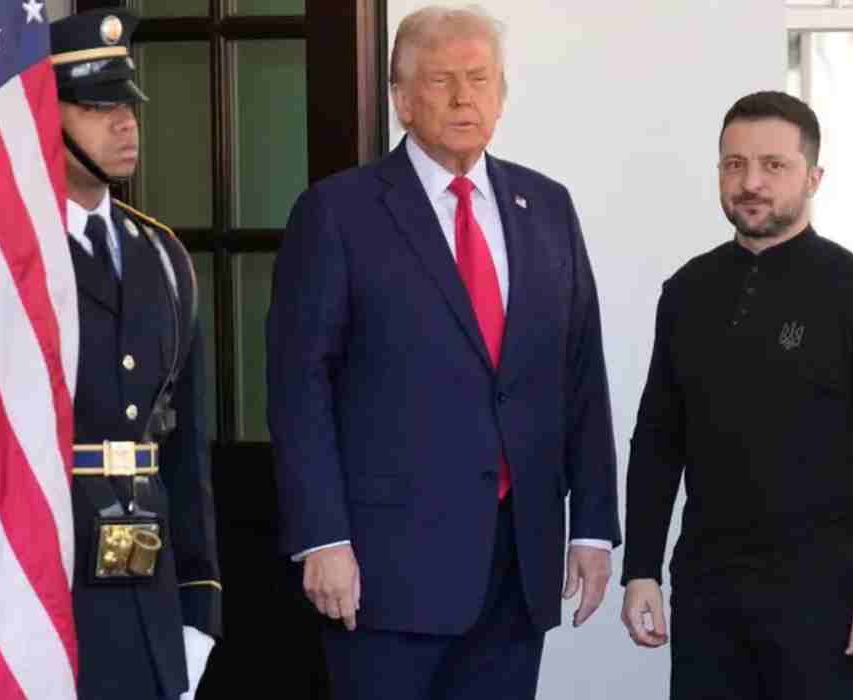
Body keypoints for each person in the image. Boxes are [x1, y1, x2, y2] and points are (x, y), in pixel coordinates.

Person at [266, 5, 620, 700]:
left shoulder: (547, 207)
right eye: (440, 81)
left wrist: (593, 528)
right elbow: (299, 386)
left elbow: (581, 374)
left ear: (502, 95)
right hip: (384, 573)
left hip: (517, 566)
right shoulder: (338, 213)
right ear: (401, 100)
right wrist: (322, 537)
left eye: (480, 79)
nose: (464, 98)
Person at [620, 91, 853, 700]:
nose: (751, 182)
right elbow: (658, 440)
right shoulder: (687, 292)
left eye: (773, 165)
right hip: (709, 595)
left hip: (829, 602)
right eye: (734, 164)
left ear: (813, 177)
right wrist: (641, 569)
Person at [51, 9, 221, 699]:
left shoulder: (162, 256)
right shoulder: (15, 258)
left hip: (147, 592)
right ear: (47, 118)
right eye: (98, 107)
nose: (125, 124)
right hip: (44, 588)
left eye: (128, 105)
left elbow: (184, 449)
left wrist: (199, 605)